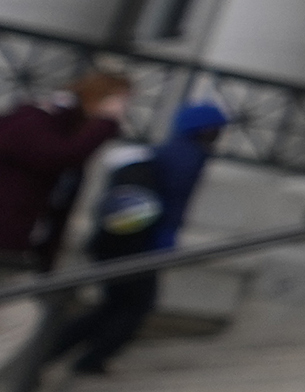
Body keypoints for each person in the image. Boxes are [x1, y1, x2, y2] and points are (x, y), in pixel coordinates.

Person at [56, 97, 230, 376]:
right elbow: (173, 203)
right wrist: (164, 240)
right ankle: (87, 359)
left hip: (118, 240)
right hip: (139, 244)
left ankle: (59, 354)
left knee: (117, 303)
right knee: (133, 305)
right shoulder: (188, 157)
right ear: (205, 129)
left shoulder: (168, 151)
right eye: (216, 128)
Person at [0, 66, 129, 273]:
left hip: (21, 248)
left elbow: (58, 202)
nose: (121, 111)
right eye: (119, 102)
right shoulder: (33, 122)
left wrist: (46, 260)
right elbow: (57, 157)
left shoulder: (67, 135)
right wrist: (106, 123)